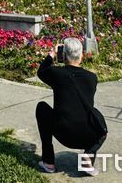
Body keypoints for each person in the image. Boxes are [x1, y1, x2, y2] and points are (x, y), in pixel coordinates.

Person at [36, 38, 106, 176]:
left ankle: (49, 162)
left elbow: (41, 71)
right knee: (96, 116)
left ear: (63, 56)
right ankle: (88, 157)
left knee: (42, 107)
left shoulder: (57, 73)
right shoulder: (92, 77)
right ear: (82, 56)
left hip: (63, 133)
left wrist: (52, 54)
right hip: (87, 135)